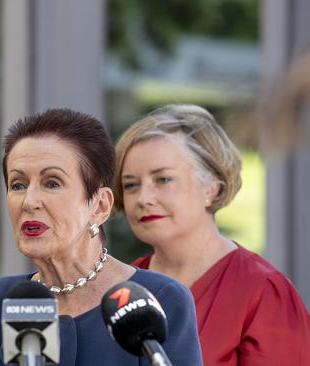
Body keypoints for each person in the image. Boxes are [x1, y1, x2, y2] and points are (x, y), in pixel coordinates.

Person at [0, 108, 203, 365]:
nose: (29, 201)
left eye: (52, 183)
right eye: (18, 185)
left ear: (100, 206)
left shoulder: (161, 299)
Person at [114, 104, 310, 365]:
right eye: (131, 185)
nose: (143, 198)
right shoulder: (123, 291)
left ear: (212, 189)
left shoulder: (263, 291)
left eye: (162, 180)